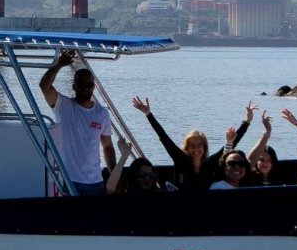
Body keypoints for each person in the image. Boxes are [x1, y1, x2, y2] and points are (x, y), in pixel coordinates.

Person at [130, 98, 253, 190]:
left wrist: (246, 122)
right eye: (192, 145)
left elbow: (232, 141)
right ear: (187, 148)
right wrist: (148, 114)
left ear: (204, 147)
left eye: (199, 145)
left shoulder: (210, 164)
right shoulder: (180, 159)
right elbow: (164, 137)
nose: (196, 149)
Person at [39, 50, 116, 196]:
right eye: (82, 84)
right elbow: (44, 86)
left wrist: (114, 175)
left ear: (94, 87)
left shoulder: (102, 114)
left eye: (90, 84)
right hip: (69, 181)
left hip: (96, 182)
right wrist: (58, 65)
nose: (86, 88)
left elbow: (108, 147)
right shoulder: (63, 105)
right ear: (74, 86)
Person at [106, 149, 177, 195]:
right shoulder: (126, 192)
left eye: (151, 176)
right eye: (142, 176)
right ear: (134, 175)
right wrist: (124, 156)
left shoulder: (159, 193)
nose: (147, 179)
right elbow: (110, 188)